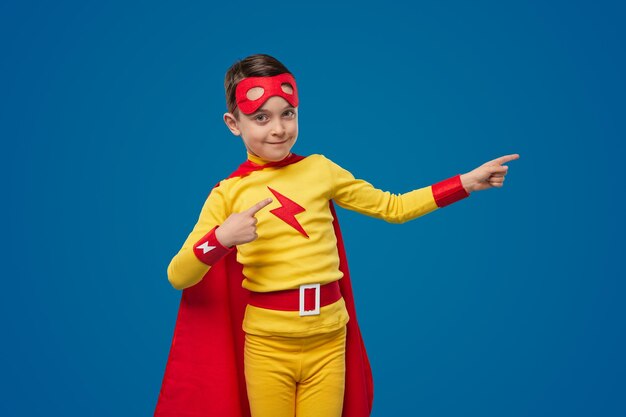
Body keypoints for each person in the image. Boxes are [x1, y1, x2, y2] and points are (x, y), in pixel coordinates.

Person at [154, 53, 519, 417]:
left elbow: (393, 207)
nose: (278, 129)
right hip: (268, 344)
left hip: (329, 337)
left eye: (288, 113)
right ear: (234, 124)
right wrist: (222, 237)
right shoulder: (227, 193)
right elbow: (178, 275)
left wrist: (465, 184)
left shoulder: (321, 170)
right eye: (261, 117)